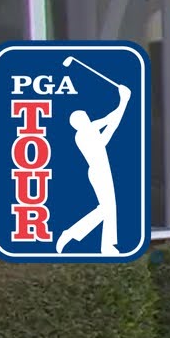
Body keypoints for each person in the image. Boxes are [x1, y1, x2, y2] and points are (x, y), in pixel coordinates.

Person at [56, 83, 131, 255]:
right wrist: (123, 101)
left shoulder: (90, 130)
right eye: (83, 117)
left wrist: (123, 102)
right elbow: (110, 123)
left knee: (108, 208)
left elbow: (110, 124)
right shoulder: (82, 135)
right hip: (98, 171)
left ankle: (105, 245)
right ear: (78, 123)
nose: (87, 118)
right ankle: (73, 233)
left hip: (102, 170)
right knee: (106, 209)